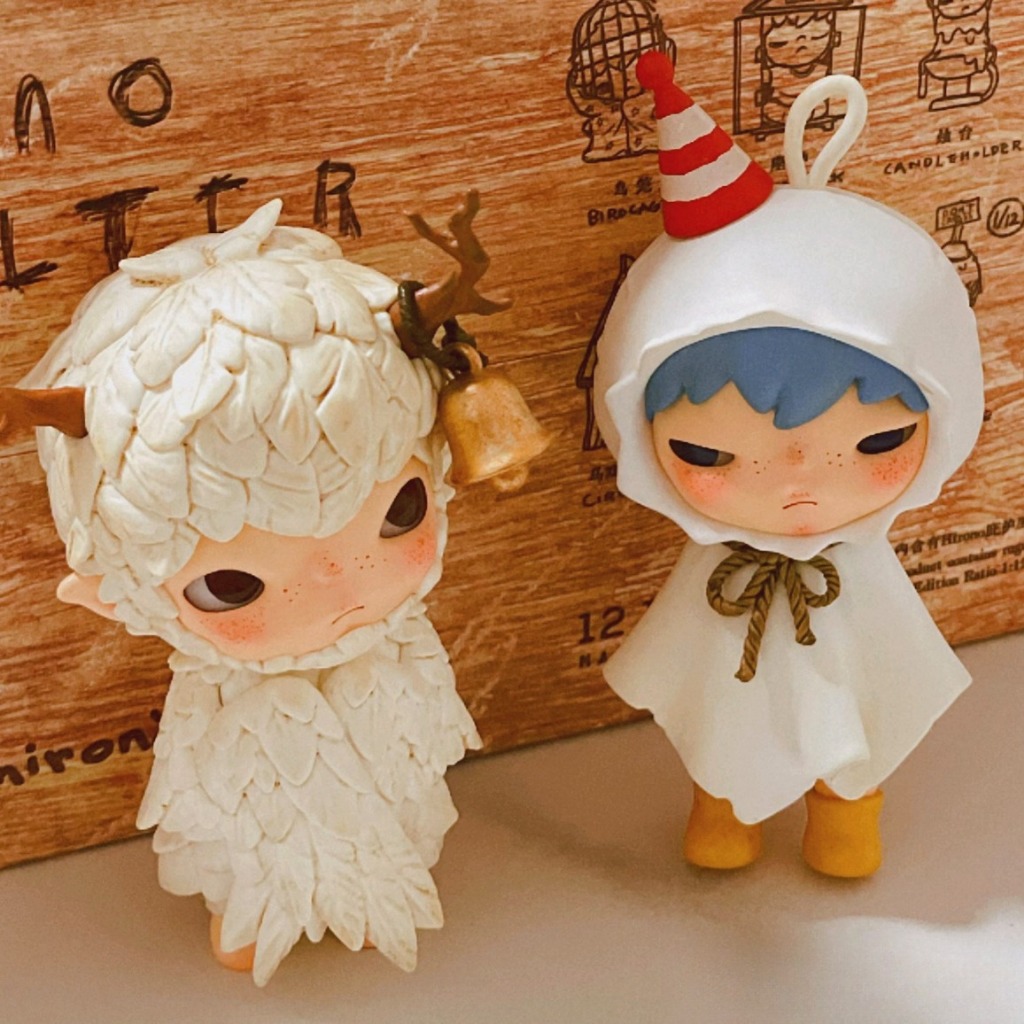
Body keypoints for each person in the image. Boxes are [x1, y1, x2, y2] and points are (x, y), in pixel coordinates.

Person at [595, 54, 984, 877]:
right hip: (733, 625)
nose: (800, 485)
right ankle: (721, 807)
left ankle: (846, 812)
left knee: (856, 718)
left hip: (843, 605)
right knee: (723, 718)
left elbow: (891, 660)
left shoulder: (857, 559)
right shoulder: (715, 559)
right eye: (708, 453)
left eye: (878, 444)